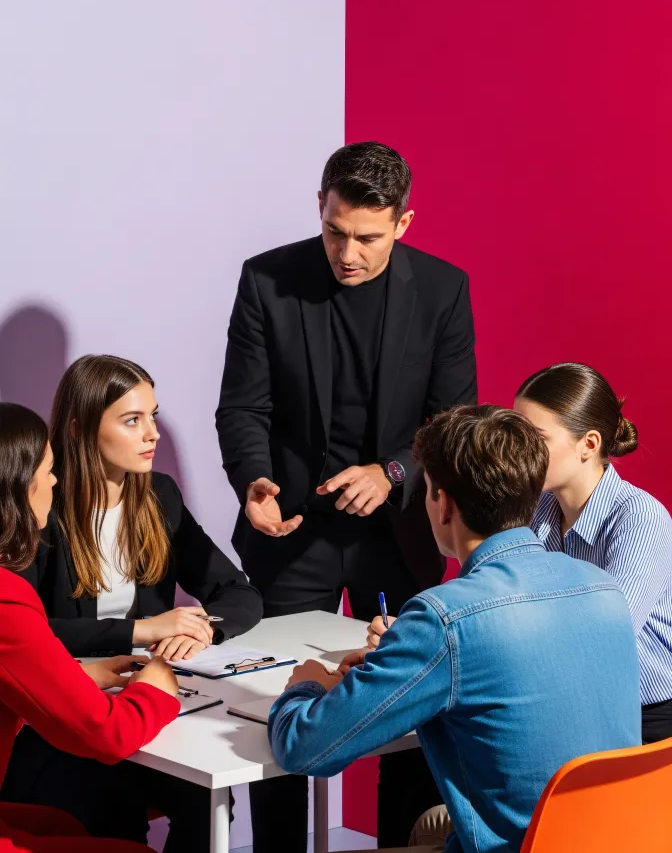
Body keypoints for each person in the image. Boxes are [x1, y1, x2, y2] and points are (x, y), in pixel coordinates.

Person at [216, 141, 477, 850]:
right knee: (281, 701)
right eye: (335, 231)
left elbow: (453, 422)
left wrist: (391, 473)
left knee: (411, 706)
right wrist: (253, 481)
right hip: (291, 530)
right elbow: (243, 408)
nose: (348, 252)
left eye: (367, 236)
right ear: (321, 210)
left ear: (404, 222)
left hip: (398, 535)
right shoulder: (267, 280)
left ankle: (400, 846)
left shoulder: (444, 289)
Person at [268, 405, 642, 853]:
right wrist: (393, 667)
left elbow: (305, 748)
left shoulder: (443, 618)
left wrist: (305, 689)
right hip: (617, 838)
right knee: (430, 827)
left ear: (443, 504)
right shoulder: (602, 588)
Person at [2, 354, 263, 852]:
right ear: (79, 428)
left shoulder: (159, 496)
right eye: (132, 420)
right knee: (108, 803)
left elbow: (239, 592)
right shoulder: (38, 508)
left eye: (153, 416)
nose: (152, 435)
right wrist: (142, 631)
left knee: (208, 802)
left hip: (137, 702)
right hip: (58, 724)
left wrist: (203, 629)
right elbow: (32, 635)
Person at [0, 401, 180, 853]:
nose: (54, 481)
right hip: (71, 754)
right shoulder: (7, 596)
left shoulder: (161, 497)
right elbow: (108, 734)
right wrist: (157, 683)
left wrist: (75, 676)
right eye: (46, 470)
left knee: (62, 827)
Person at [513, 362, 672, 743]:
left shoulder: (639, 517)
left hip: (647, 721)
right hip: (570, 705)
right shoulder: (537, 512)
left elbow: (604, 636)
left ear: (589, 444)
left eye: (536, 438)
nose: (519, 452)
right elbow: (502, 603)